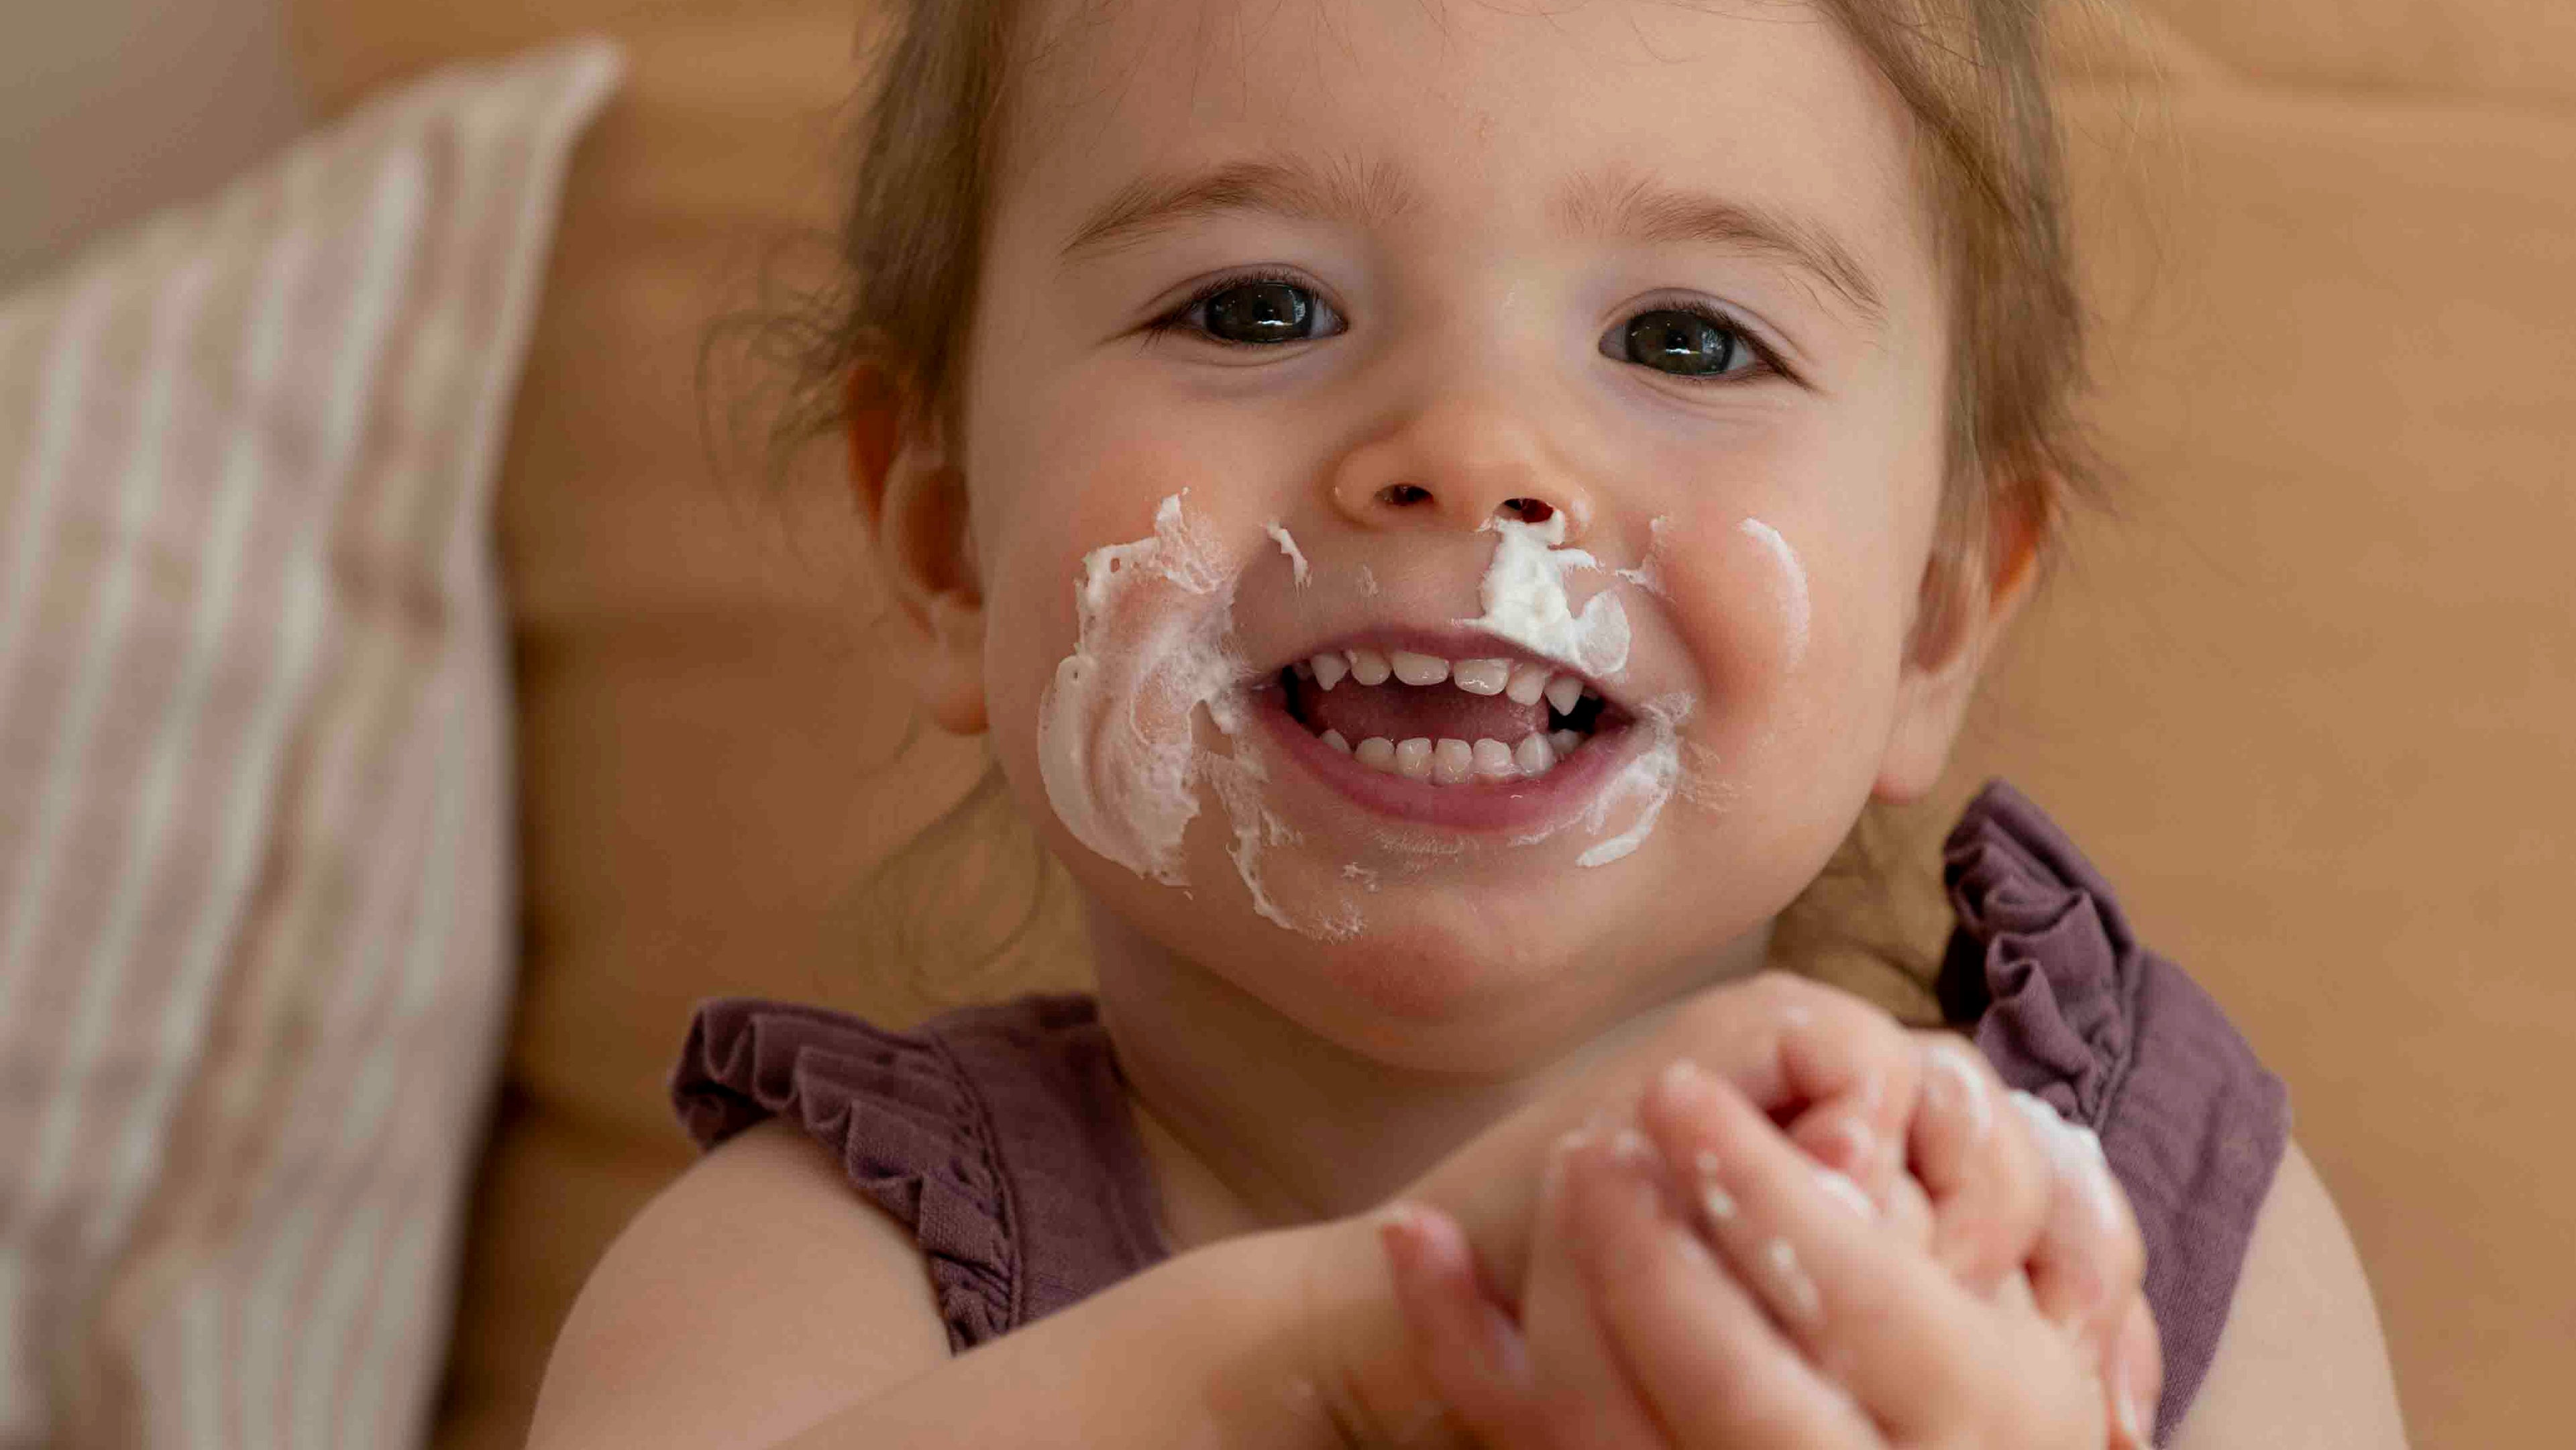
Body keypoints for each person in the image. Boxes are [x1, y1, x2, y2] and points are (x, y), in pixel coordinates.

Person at [528, 1, 2407, 1446]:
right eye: (1258, 303)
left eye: (1688, 339)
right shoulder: (817, 1279)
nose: (1473, 454)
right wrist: (1326, 1363)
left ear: (1930, 613)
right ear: (949, 541)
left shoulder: (2126, 1229)